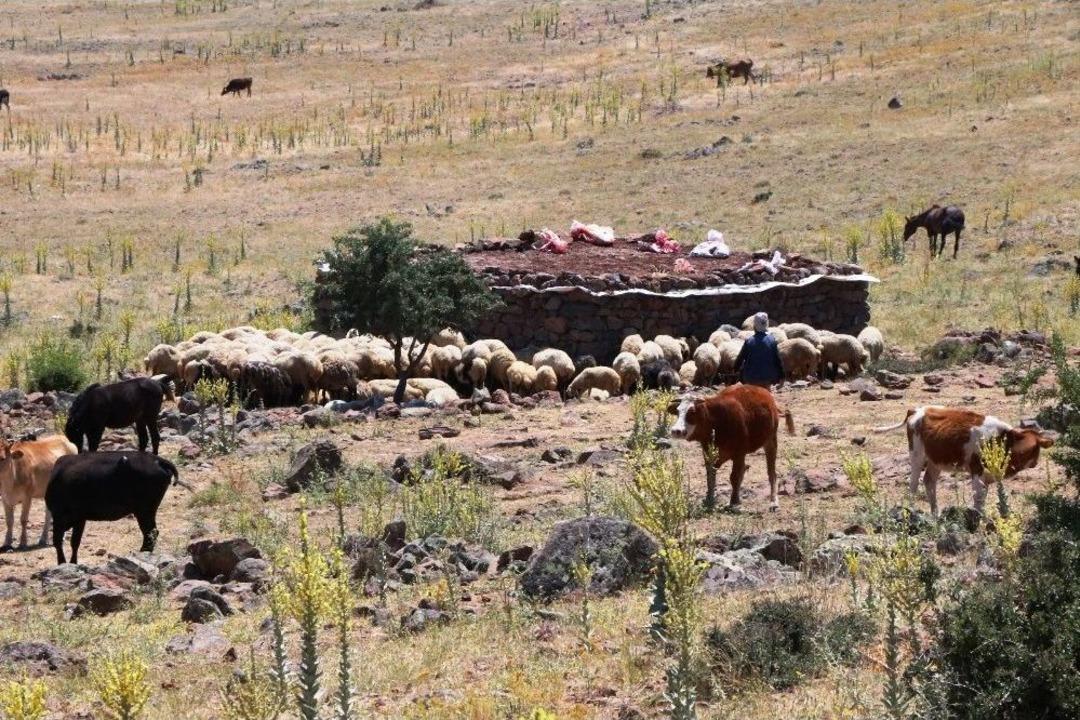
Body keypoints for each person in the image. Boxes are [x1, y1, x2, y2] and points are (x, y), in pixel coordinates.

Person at [734, 312, 784, 389]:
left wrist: (735, 370)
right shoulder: (772, 340)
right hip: (768, 378)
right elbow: (778, 360)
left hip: (751, 379)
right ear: (767, 324)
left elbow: (739, 359)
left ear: (754, 325)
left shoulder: (749, 341)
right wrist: (782, 376)